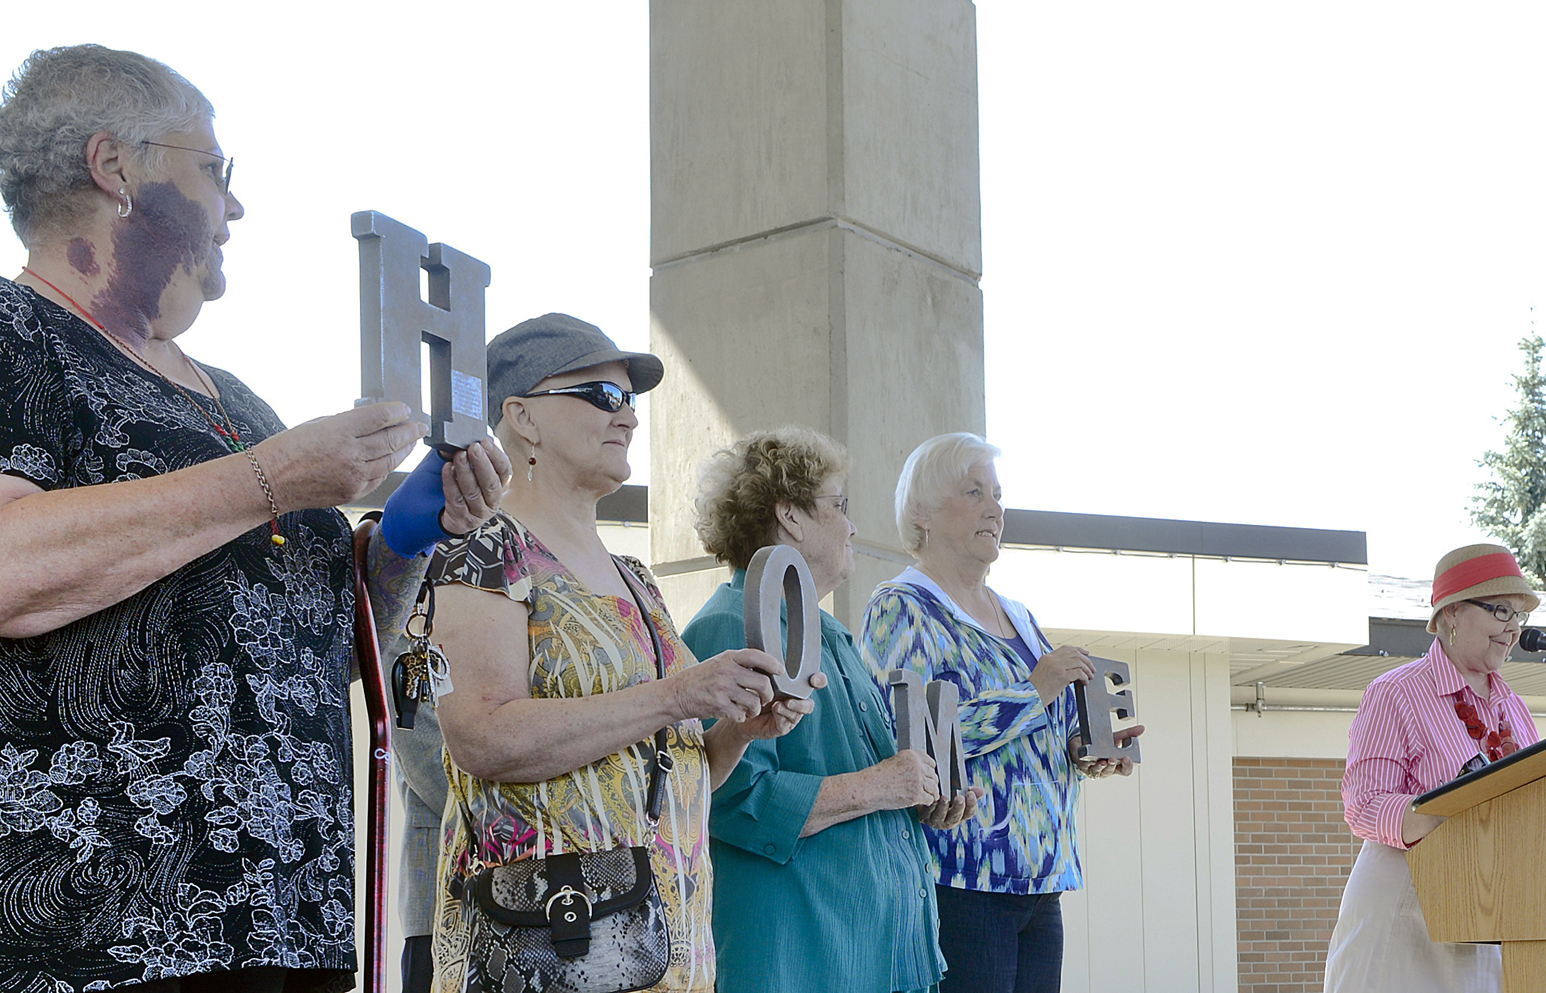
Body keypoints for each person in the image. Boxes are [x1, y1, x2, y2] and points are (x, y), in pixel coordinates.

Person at [0, 45, 511, 993]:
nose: (234, 207)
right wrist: (273, 475)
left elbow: (327, 626)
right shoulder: (17, 332)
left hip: (289, 923)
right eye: (213, 169)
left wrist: (406, 532)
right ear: (115, 168)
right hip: (107, 937)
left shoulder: (232, 399)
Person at [424, 313, 814, 993]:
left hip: (663, 954)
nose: (627, 416)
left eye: (630, 400)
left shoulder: (637, 578)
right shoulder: (484, 549)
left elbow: (676, 777)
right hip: (548, 953)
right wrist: (676, 694)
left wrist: (740, 730)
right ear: (523, 417)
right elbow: (481, 737)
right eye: (601, 396)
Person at [679, 427, 983, 993]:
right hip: (801, 960)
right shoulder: (728, 627)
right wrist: (884, 786)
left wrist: (927, 798)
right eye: (839, 507)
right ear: (790, 515)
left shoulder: (834, 636)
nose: (852, 526)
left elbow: (876, 784)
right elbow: (727, 798)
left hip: (875, 957)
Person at [861, 433, 1142, 993]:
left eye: (998, 494)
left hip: (1042, 879)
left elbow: (1037, 728)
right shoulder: (902, 608)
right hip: (961, 881)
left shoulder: (1020, 616)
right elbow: (912, 738)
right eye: (974, 491)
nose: (995, 508)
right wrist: (1034, 688)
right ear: (922, 514)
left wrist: (1085, 752)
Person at [1324, 543, 1540, 992]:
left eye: (1519, 616)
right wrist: (1454, 810)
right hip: (1407, 922)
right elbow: (1364, 804)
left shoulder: (1515, 709)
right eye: (1502, 611)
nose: (1515, 629)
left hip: (1492, 918)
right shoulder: (1396, 692)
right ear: (1453, 612)